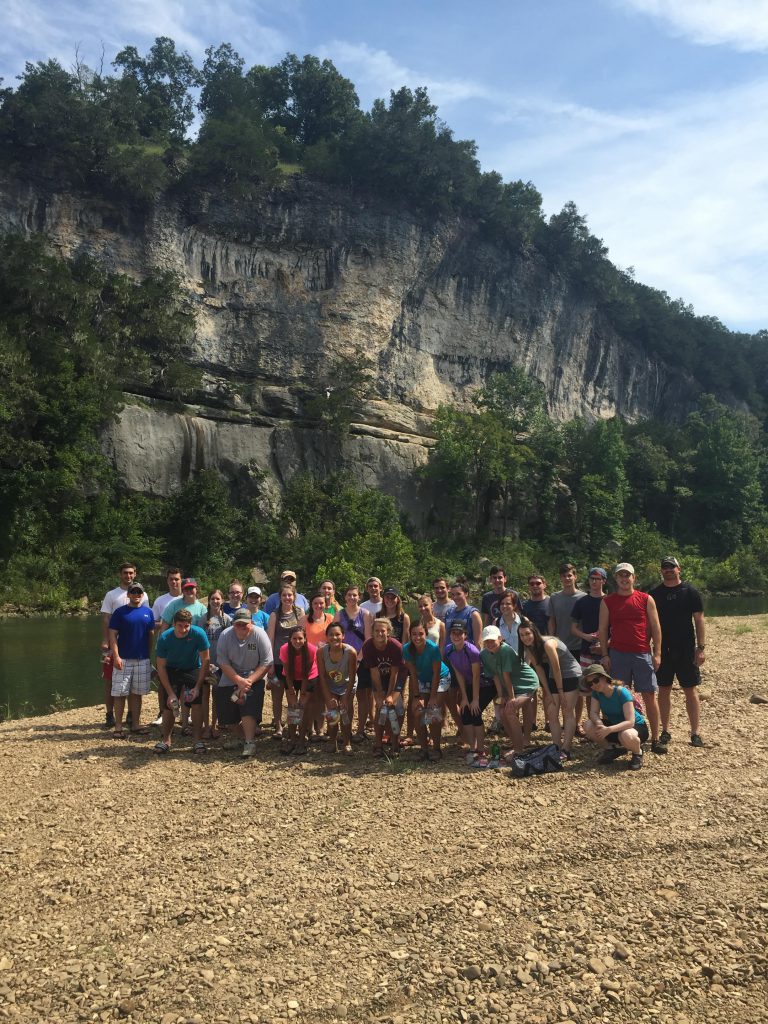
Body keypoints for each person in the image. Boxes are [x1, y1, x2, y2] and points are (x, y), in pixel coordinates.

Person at [598, 562, 666, 754]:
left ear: (634, 578)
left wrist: (658, 653)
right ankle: (618, 738)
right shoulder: (608, 601)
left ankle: (655, 738)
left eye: (627, 575)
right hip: (618, 654)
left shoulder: (646, 599)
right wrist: (604, 654)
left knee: (649, 696)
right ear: (616, 579)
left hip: (642, 653)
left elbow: (656, 627)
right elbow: (603, 629)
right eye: (621, 575)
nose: (624, 579)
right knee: (616, 697)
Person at [650, 556, 706, 748]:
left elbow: (699, 620)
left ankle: (695, 733)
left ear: (679, 569)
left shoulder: (690, 592)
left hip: (686, 650)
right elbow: (650, 624)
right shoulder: (654, 594)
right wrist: (651, 650)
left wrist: (701, 648)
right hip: (662, 650)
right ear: (661, 571)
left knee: (690, 690)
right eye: (665, 568)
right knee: (663, 690)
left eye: (671, 567)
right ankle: (665, 730)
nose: (668, 570)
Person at [518, 618, 582, 758]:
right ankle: (556, 745)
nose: (525, 637)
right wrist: (547, 691)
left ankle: (566, 748)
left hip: (570, 673)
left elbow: (557, 667)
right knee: (552, 710)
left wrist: (560, 692)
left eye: (527, 634)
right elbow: (539, 669)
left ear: (534, 632)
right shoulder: (530, 647)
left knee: (567, 709)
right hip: (554, 676)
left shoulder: (548, 643)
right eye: (522, 635)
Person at [216, 608, 273, 758]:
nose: (242, 627)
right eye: (238, 624)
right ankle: (242, 738)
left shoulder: (260, 634)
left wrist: (248, 681)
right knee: (226, 717)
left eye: (245, 624)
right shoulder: (225, 635)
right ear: (233, 623)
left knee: (248, 708)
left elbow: (267, 662)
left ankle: (249, 742)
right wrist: (238, 680)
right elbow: (222, 662)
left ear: (252, 623)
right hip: (231, 676)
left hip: (254, 677)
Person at [154, 608, 211, 755]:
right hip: (171, 669)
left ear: (191, 624)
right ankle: (166, 740)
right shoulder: (165, 638)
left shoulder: (198, 633)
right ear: (174, 624)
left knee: (197, 702)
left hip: (192, 667)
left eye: (186, 626)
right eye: (180, 626)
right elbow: (160, 666)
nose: (183, 629)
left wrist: (198, 686)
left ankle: (197, 739)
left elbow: (205, 660)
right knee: (169, 705)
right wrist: (170, 693)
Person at [99, 562, 148, 727]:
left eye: (131, 573)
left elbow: (144, 619)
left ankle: (131, 715)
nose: (128, 576)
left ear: (135, 574)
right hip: (115, 643)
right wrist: (106, 640)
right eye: (125, 573)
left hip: (134, 646)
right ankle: (109, 714)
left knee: (132, 682)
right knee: (110, 679)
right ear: (120, 574)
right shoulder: (111, 595)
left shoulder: (143, 594)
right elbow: (106, 618)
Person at [479, 625, 539, 755]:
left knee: (510, 710)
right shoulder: (484, 654)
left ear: (500, 638)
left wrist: (511, 699)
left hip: (526, 682)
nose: (489, 644)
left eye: (492, 640)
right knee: (502, 711)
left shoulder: (506, 651)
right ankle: (517, 742)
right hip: (510, 685)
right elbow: (495, 676)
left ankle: (519, 748)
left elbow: (506, 676)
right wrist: (501, 697)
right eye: (486, 641)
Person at [107, 581, 156, 737]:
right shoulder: (120, 612)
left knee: (137, 693)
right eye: (133, 592)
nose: (136, 595)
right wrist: (116, 656)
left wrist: (148, 657)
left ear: (142, 595)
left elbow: (151, 636)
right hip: (124, 659)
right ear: (128, 594)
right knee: (120, 694)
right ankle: (118, 727)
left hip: (142, 660)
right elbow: (112, 635)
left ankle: (135, 724)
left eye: (139, 592)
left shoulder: (148, 612)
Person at [582, 664, 648, 770]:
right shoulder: (596, 693)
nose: (593, 685)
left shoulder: (621, 692)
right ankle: (611, 749)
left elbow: (630, 722)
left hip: (636, 726)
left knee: (626, 735)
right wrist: (600, 725)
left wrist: (608, 729)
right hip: (614, 726)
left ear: (604, 677)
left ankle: (637, 752)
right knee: (588, 725)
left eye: (596, 680)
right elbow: (593, 713)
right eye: (589, 683)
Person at [403, 621, 452, 762]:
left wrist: (432, 697)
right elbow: (412, 673)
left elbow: (436, 673)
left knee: (433, 711)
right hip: (422, 679)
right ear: (410, 635)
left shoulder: (433, 648)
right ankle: (424, 748)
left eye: (421, 634)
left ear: (426, 634)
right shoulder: (407, 649)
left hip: (440, 677)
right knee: (418, 711)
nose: (417, 637)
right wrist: (416, 696)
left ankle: (436, 748)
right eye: (414, 634)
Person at [570, 567, 607, 736]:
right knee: (588, 689)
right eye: (592, 578)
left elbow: (616, 628)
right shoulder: (582, 602)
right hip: (586, 652)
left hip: (606, 652)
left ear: (603, 581)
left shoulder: (609, 601)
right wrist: (585, 636)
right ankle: (592, 725)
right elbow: (573, 628)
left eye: (598, 579)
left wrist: (606, 643)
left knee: (606, 688)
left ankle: (607, 726)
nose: (594, 582)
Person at [444, 622, 488, 764]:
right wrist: (464, 697)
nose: (456, 636)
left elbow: (476, 676)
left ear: (465, 635)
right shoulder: (449, 650)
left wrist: (474, 699)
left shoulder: (472, 651)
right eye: (453, 633)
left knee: (475, 711)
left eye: (459, 633)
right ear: (450, 635)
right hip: (469, 683)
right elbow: (459, 674)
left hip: (486, 683)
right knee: (465, 712)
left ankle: (481, 749)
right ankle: (472, 748)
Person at [266, 584, 305, 740]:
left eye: (290, 595)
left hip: (296, 661)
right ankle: (278, 725)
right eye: (284, 595)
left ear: (294, 597)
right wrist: (269, 663)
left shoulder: (299, 612)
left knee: (293, 695)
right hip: (278, 661)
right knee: (277, 695)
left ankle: (293, 725)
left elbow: (303, 636)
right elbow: (270, 638)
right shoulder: (275, 615)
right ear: (280, 597)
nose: (287, 598)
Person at [335, 585, 373, 742]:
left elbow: (368, 638)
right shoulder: (339, 614)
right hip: (343, 659)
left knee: (362, 696)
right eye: (349, 595)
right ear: (345, 597)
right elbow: (334, 636)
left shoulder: (365, 614)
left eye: (355, 595)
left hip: (361, 659)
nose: (352, 598)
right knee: (346, 695)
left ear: (359, 597)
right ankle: (346, 729)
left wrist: (359, 658)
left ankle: (361, 729)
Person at [362, 617, 405, 755]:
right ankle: (378, 744)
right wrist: (380, 694)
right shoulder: (368, 646)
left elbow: (395, 674)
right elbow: (374, 672)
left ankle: (395, 742)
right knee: (380, 707)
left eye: (383, 631)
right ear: (372, 632)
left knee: (398, 708)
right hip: (379, 678)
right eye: (376, 631)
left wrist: (391, 695)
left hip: (396, 677)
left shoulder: (396, 646)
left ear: (388, 632)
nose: (380, 633)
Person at [150, 567, 183, 725]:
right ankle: (163, 712)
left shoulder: (188, 597)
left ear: (181, 580)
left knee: (184, 680)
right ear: (167, 581)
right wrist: (165, 623)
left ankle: (184, 712)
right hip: (166, 646)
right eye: (171, 579)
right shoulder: (160, 600)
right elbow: (153, 623)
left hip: (185, 647)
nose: (174, 582)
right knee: (164, 680)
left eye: (177, 579)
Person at [279, 625, 319, 755]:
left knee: (303, 707)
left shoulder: (312, 650)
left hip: (308, 677)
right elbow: (288, 673)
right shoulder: (284, 649)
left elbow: (306, 675)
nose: (297, 641)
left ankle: (302, 741)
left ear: (305, 639)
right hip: (291, 676)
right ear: (290, 639)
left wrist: (302, 694)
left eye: (300, 638)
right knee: (293, 707)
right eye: (294, 638)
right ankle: (292, 739)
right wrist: (291, 692)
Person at [317, 622, 357, 755]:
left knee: (345, 712)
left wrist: (346, 697)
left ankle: (347, 743)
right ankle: (332, 741)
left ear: (343, 636)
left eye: (337, 634)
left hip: (347, 684)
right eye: (331, 635)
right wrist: (328, 697)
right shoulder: (321, 652)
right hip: (331, 685)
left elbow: (352, 677)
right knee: (332, 713)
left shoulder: (350, 652)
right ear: (327, 637)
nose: (334, 637)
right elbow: (322, 676)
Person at [202, 589, 232, 739]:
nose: (215, 601)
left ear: (222, 601)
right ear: (209, 601)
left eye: (218, 599)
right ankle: (205, 726)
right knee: (204, 695)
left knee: (216, 695)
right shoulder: (202, 619)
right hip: (205, 664)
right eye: (212, 598)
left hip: (220, 665)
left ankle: (214, 725)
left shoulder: (227, 620)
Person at [548, 563, 586, 659]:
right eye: (564, 576)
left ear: (575, 577)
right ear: (560, 578)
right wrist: (551, 639)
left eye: (569, 575)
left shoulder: (584, 597)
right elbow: (552, 621)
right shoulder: (554, 597)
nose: (567, 578)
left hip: (580, 646)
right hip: (560, 645)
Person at [446, 580, 482, 646]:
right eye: (453, 594)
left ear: (466, 593)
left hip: (467, 654)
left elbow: (478, 642)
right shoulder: (449, 612)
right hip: (450, 653)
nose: (455, 597)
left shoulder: (473, 614)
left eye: (458, 594)